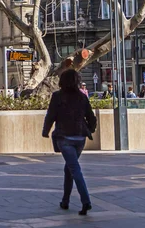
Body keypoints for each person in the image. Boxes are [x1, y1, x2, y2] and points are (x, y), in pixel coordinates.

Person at [42, 69, 97, 216]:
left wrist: (45, 131)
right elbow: (91, 117)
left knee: (74, 169)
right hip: (80, 138)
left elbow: (50, 115)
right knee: (69, 168)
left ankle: (86, 201)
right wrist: (89, 129)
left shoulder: (57, 96)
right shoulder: (82, 97)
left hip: (64, 137)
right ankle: (65, 201)